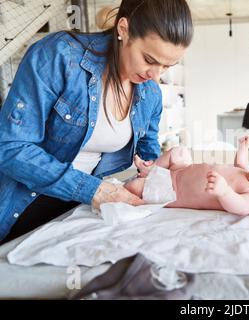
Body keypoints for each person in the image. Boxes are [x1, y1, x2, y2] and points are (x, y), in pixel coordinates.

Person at [0, 0, 194, 243]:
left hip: (81, 207)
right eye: (149, 59)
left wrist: (168, 171)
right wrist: (95, 190)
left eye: (167, 66)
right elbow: (10, 148)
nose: (155, 76)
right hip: (23, 202)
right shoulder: (59, 56)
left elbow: (148, 153)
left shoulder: (150, 94)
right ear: (123, 29)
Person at [124, 136, 249, 216]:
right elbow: (240, 166)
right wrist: (243, 149)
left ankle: (136, 183)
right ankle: (151, 170)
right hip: (182, 169)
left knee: (134, 188)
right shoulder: (247, 176)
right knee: (179, 152)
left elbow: (239, 207)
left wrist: (224, 192)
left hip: (172, 189)